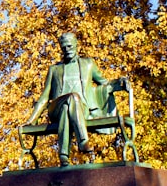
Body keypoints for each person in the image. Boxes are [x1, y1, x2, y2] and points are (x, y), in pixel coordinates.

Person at [26, 32, 113, 166]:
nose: (67, 50)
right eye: (64, 47)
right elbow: (44, 96)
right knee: (71, 98)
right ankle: (83, 142)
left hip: (81, 111)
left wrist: (121, 83)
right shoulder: (54, 69)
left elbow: (104, 83)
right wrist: (31, 120)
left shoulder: (88, 64)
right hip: (56, 109)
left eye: (70, 46)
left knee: (68, 107)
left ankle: (63, 154)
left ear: (76, 45)